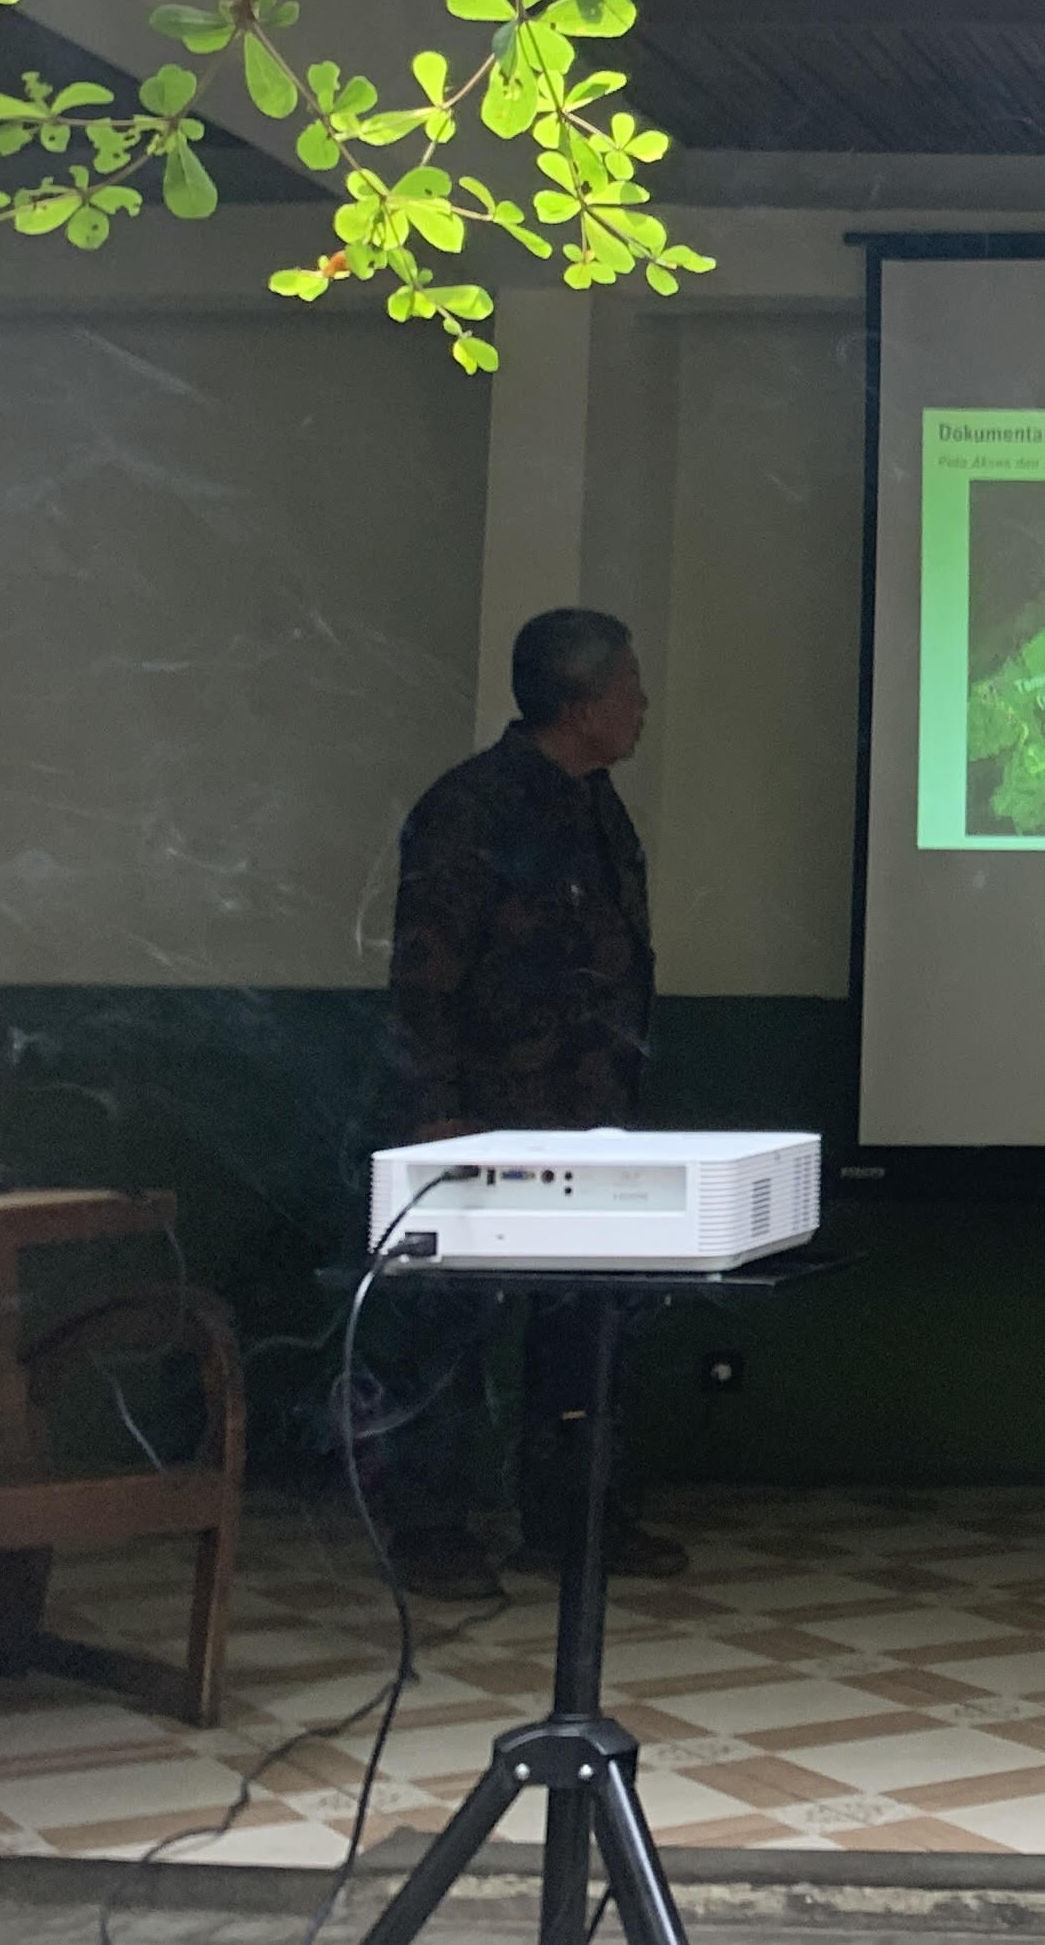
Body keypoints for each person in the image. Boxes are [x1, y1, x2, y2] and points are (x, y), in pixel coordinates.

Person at [374, 607, 689, 1598]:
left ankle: (573, 1521)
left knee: (585, 1329)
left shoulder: (599, 806)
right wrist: (436, 1112)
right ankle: (430, 1533)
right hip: (484, 1119)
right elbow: (424, 977)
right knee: (452, 1336)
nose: (643, 707)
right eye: (630, 689)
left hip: (590, 1118)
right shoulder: (473, 809)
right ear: (583, 703)